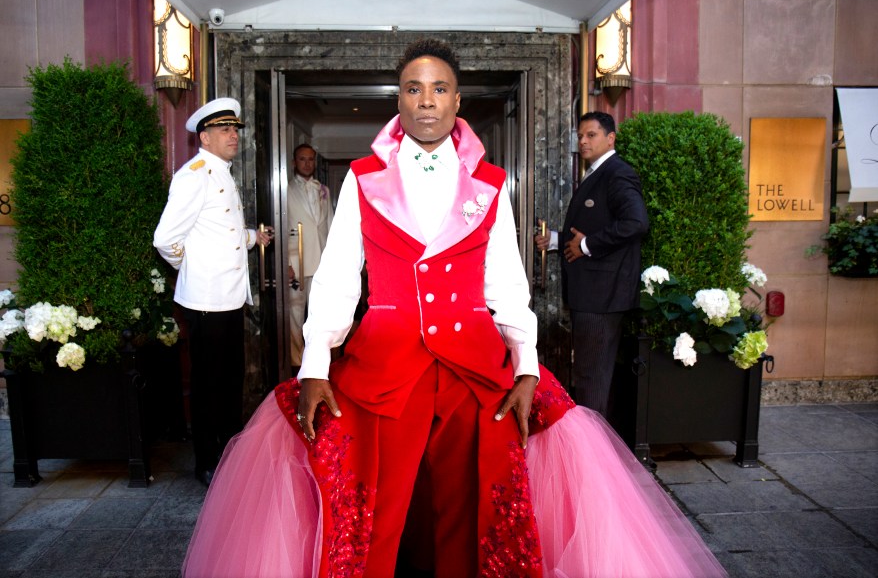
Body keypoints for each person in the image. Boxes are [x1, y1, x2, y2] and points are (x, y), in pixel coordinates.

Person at [182, 42, 725, 578]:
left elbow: (507, 279)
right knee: (376, 509)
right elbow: (339, 272)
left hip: (474, 365)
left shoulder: (490, 184)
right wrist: (316, 364)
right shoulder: (363, 177)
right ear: (398, 101)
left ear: (457, 101)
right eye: (413, 89)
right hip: (386, 362)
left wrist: (528, 364)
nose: (426, 100)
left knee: (477, 510)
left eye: (438, 88)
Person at [153, 98, 273, 488]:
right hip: (206, 301)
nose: (233, 136)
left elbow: (222, 232)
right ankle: (206, 462)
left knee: (229, 381)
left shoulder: (221, 172)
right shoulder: (195, 175)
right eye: (224, 130)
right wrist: (193, 269)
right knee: (208, 387)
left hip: (230, 298)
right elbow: (166, 239)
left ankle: (227, 453)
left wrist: (255, 237)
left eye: (235, 129)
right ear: (204, 137)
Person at [535, 111, 649, 416]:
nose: (583, 141)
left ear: (610, 138)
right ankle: (595, 450)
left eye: (591, 135)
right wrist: (558, 241)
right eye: (580, 136)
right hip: (594, 294)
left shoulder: (617, 172)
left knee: (592, 380)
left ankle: (593, 456)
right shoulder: (598, 172)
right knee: (589, 376)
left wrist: (587, 245)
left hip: (603, 296)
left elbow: (636, 222)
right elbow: (594, 225)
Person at [287, 143, 334, 367]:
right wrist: (286, 263)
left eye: (311, 159)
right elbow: (283, 227)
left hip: (322, 261)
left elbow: (331, 226)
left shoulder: (323, 190)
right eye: (303, 159)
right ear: (295, 162)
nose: (307, 163)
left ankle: (318, 360)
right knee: (295, 314)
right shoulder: (285, 190)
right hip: (297, 261)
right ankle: (297, 362)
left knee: (320, 313)